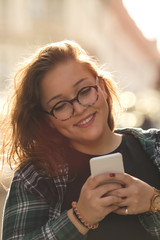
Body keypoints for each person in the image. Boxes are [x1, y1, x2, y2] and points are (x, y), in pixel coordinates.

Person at [0, 40, 160, 240]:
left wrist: (154, 202)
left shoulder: (156, 147)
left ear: (100, 87)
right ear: (48, 120)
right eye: (60, 105)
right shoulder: (33, 178)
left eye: (84, 91)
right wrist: (79, 218)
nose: (79, 108)